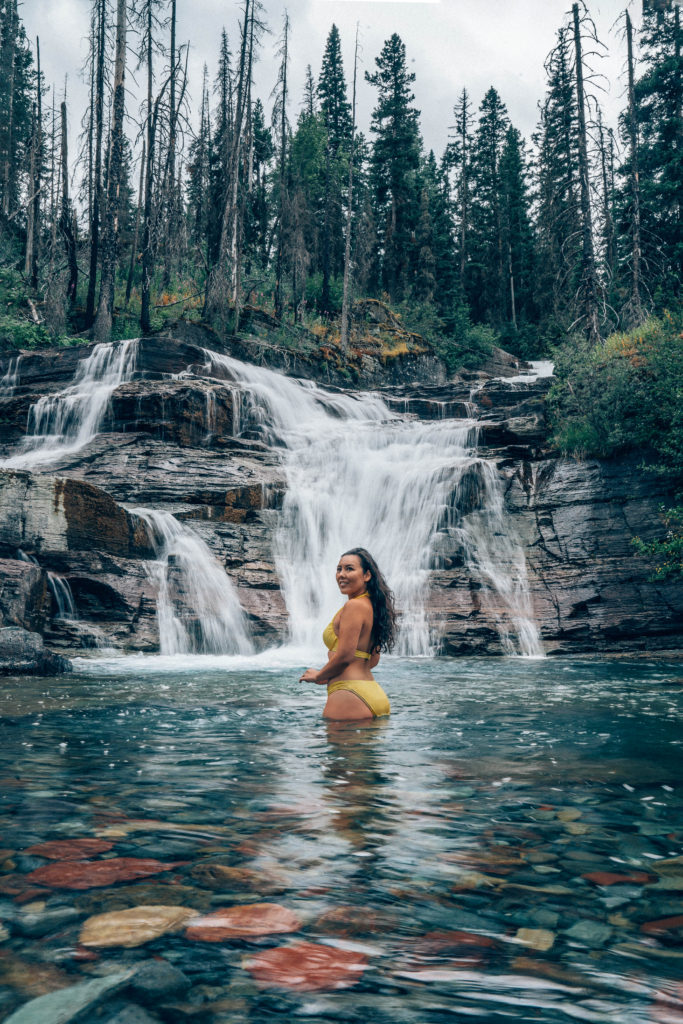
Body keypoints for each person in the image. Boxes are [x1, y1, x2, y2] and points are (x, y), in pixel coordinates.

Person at [299, 548, 396, 719]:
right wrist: (331, 672)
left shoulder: (354, 606)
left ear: (367, 575)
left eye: (349, 569)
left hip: (349, 695)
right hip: (371, 693)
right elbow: (373, 659)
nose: (341, 574)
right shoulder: (372, 606)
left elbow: (345, 656)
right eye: (339, 569)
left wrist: (319, 675)